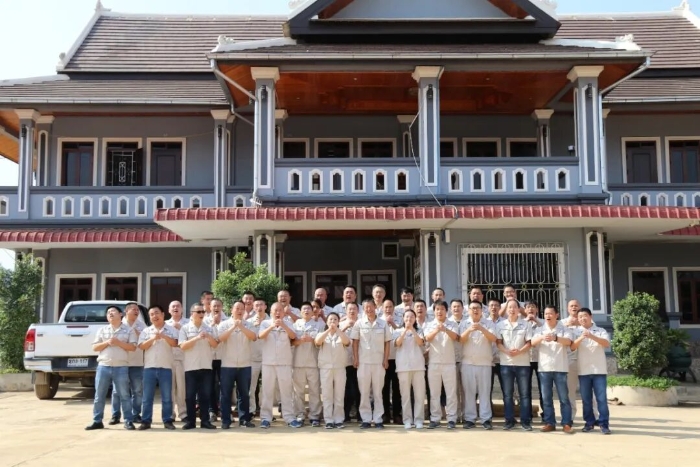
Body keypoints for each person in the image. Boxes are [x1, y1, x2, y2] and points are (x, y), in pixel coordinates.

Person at [85, 306, 137, 431]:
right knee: (99, 395)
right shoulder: (102, 330)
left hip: (121, 367)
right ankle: (97, 420)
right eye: (108, 313)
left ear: (121, 314)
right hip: (104, 366)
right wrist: (107, 342)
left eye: (113, 311)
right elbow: (95, 347)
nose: (110, 314)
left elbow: (133, 347)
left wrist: (118, 343)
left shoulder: (129, 330)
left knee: (124, 395)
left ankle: (128, 421)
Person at [531, 305, 574, 434]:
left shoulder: (564, 329)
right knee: (546, 398)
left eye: (550, 313)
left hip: (560, 367)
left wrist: (556, 338)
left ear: (557, 315)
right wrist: (541, 337)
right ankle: (550, 423)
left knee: (564, 398)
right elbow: (532, 342)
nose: (548, 316)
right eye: (545, 314)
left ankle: (566, 423)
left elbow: (569, 342)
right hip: (544, 368)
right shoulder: (540, 329)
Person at [351, 299, 392, 429]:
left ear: (375, 307)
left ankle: (378, 419)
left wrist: (385, 359)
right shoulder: (359, 323)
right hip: (363, 362)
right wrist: (356, 358)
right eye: (366, 307)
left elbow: (387, 342)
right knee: (364, 392)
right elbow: (355, 342)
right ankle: (366, 419)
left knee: (378, 392)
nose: (368, 309)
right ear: (363, 309)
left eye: (370, 306)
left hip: (378, 362)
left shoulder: (383, 323)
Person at [259, 302, 301, 428]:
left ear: (283, 312)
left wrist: (283, 325)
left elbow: (293, 336)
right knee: (267, 391)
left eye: (280, 310)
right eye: (275, 310)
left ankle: (289, 417)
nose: (277, 313)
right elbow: (261, 336)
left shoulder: (288, 323)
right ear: (271, 312)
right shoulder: (265, 323)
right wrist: (272, 326)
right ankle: (266, 418)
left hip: (284, 362)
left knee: (286, 391)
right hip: (268, 362)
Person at [137, 305, 179, 430]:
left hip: (166, 367)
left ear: (163, 314)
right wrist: (153, 338)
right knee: (147, 397)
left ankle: (167, 420)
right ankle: (146, 421)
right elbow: (141, 346)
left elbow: (176, 343)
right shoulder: (146, 331)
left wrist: (164, 336)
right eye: (151, 314)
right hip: (149, 368)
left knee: (167, 397)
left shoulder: (171, 329)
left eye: (156, 313)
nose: (154, 316)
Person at [218, 301, 257, 429]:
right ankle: (226, 420)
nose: (239, 311)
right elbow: (220, 338)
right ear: (231, 310)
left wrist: (241, 327)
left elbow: (253, 337)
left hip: (245, 364)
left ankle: (244, 419)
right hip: (227, 365)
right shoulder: (224, 324)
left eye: (242, 309)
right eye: (237, 308)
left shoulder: (248, 324)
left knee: (244, 393)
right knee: (225, 394)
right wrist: (233, 327)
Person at [571, 307, 611, 435]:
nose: (582, 318)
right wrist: (581, 337)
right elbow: (572, 347)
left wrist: (592, 336)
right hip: (583, 370)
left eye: (585, 316)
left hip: (599, 370)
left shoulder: (600, 330)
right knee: (586, 399)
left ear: (590, 316)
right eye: (580, 317)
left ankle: (604, 424)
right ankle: (589, 423)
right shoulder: (576, 332)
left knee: (601, 399)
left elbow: (606, 343)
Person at [179, 303, 218, 430]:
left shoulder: (209, 328)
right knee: (190, 396)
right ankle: (191, 421)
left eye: (203, 312)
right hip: (191, 367)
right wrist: (196, 338)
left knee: (205, 395)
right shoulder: (185, 328)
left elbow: (215, 344)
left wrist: (208, 336)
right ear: (192, 313)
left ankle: (205, 421)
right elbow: (183, 346)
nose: (201, 314)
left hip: (206, 366)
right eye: (198, 312)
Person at [459, 300, 497, 430]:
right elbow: (460, 340)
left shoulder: (489, 323)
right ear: (468, 311)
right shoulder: (464, 323)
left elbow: (494, 338)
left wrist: (482, 328)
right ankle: (470, 419)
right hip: (468, 362)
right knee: (469, 392)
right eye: (472, 308)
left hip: (484, 363)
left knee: (484, 392)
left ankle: (486, 419)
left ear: (482, 310)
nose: (475, 310)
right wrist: (469, 330)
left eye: (477, 308)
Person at [496, 299, 533, 431]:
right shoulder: (500, 325)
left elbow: (529, 343)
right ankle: (509, 420)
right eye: (509, 307)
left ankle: (525, 421)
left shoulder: (526, 325)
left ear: (519, 309)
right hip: (506, 363)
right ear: (506, 310)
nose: (512, 309)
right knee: (507, 394)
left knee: (524, 394)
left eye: (514, 307)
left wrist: (519, 351)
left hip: (523, 363)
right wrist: (507, 351)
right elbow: (498, 342)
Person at [423, 300, 459, 430]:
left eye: (442, 309)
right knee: (434, 393)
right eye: (437, 309)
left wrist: (445, 329)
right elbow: (427, 338)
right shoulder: (429, 324)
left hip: (449, 363)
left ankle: (452, 419)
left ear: (446, 311)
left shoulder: (452, 324)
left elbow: (456, 337)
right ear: (434, 311)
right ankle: (435, 418)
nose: (439, 312)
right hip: (434, 363)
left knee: (451, 392)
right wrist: (437, 330)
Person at [109, 302, 145, 426]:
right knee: (117, 391)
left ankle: (136, 414)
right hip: (120, 363)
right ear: (126, 311)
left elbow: (147, 341)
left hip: (137, 362)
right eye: (133, 309)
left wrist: (140, 334)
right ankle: (115, 415)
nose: (136, 311)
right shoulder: (119, 324)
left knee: (137, 390)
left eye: (137, 310)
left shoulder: (142, 325)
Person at [315, 312, 351, 429]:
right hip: (325, 368)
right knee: (327, 395)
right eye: (330, 319)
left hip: (340, 367)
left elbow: (347, 342)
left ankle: (338, 419)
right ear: (326, 321)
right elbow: (318, 342)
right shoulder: (322, 334)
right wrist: (328, 330)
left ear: (338, 322)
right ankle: (328, 420)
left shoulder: (342, 335)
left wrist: (337, 330)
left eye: (335, 319)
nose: (333, 322)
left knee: (339, 395)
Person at [393, 309, 426, 430]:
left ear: (415, 319)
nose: (409, 319)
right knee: (405, 395)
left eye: (411, 317)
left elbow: (421, 343)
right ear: (403, 318)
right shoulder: (397, 331)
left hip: (418, 366)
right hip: (403, 367)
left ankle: (419, 420)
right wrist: (405, 331)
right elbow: (397, 343)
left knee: (419, 394)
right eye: (406, 317)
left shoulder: (419, 330)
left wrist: (412, 330)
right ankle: (407, 420)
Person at [292, 302, 323, 427]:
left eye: (308, 308)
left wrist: (313, 340)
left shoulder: (319, 325)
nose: (306, 310)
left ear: (312, 311)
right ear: (300, 312)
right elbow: (291, 341)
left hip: (313, 362)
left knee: (314, 391)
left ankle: (315, 415)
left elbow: (322, 342)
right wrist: (300, 341)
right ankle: (299, 414)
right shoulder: (295, 325)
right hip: (298, 362)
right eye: (304, 309)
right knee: (298, 391)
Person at [166, 300, 189, 422]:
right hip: (168, 359)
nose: (175, 308)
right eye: (173, 306)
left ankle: (183, 413)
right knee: (169, 389)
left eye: (178, 306)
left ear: (182, 309)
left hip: (183, 359)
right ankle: (170, 414)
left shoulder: (188, 323)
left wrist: (181, 328)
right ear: (169, 310)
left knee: (182, 388)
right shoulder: (165, 324)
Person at [380, 299, 402, 424]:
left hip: (397, 358)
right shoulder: (379, 321)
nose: (388, 309)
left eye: (390, 307)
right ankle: (385, 414)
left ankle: (397, 414)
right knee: (384, 388)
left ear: (394, 308)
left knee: (397, 388)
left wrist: (393, 324)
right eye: (386, 307)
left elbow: (402, 333)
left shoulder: (399, 320)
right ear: (382, 308)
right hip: (383, 359)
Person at [247, 298, 268, 417]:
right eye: (256, 305)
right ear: (253, 308)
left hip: (268, 358)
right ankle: (251, 410)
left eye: (261, 304)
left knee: (267, 388)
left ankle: (266, 412)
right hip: (253, 357)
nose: (259, 307)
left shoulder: (271, 321)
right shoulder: (248, 322)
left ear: (265, 306)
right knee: (251, 387)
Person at [340, 303, 361, 422]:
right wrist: (345, 327)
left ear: (358, 311)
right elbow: (335, 337)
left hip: (360, 360)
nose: (352, 311)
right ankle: (345, 414)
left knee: (359, 389)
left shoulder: (362, 323)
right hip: (345, 361)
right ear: (346, 311)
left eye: (354, 309)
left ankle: (360, 414)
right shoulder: (340, 324)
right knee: (346, 389)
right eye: (350, 309)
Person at [524, 301, 544, 416]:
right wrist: (526, 322)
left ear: (537, 309)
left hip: (541, 359)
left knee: (543, 388)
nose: (530, 309)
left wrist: (536, 321)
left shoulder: (543, 322)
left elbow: (547, 330)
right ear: (525, 310)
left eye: (533, 307)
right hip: (525, 359)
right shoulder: (521, 323)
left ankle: (545, 413)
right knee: (526, 388)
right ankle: (527, 414)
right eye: (528, 307)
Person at [207, 298, 225, 422]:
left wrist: (219, 324)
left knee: (224, 385)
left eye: (218, 305)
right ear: (210, 307)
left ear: (222, 307)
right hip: (209, 358)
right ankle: (212, 410)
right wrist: (212, 324)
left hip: (224, 357)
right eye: (214, 306)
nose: (216, 308)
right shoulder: (205, 321)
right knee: (210, 385)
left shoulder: (227, 320)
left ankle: (224, 410)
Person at [486, 298, 505, 407]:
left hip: (503, 360)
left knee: (507, 390)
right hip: (488, 361)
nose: (494, 307)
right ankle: (489, 413)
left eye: (496, 305)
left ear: (500, 308)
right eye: (491, 305)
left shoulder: (505, 322)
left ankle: (510, 413)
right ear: (488, 308)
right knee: (487, 390)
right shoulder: (484, 322)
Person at [449, 299, 465, 423]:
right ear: (450, 309)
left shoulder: (468, 322)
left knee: (465, 390)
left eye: (458, 306)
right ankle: (454, 415)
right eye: (454, 307)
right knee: (453, 390)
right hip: (451, 360)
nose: (456, 309)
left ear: (462, 308)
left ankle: (465, 415)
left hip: (465, 359)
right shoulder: (447, 323)